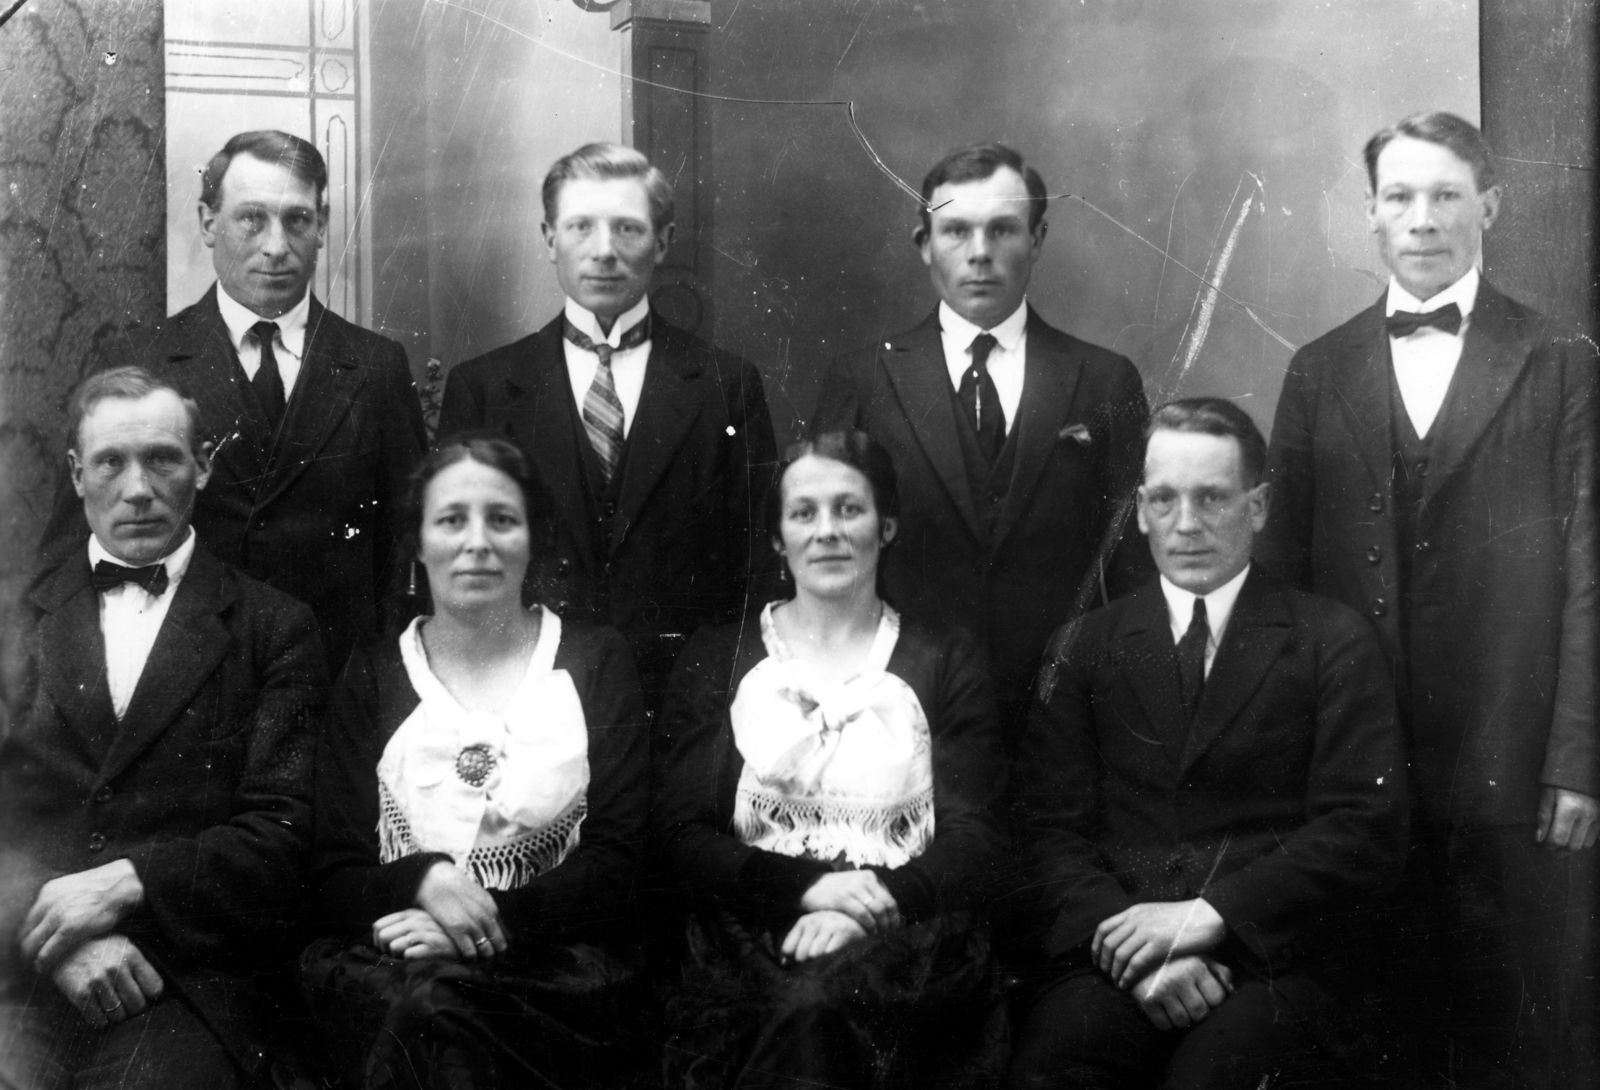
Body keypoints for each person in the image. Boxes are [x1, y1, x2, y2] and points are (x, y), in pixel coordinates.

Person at [1259, 111, 1598, 1085]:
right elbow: (1280, 583)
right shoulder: (1317, 369)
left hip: (1512, 767)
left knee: (1520, 1032)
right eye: (1399, 197)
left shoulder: (1560, 360)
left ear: (1488, 206)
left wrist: (1578, 761)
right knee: (1373, 1033)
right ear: (1368, 213)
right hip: (1361, 773)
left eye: (1446, 195)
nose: (1422, 218)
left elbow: (1591, 573)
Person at [1007, 399, 1406, 1089]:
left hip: (1274, 959)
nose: (1186, 524)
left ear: (1259, 506)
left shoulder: (1331, 639)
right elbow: (1048, 831)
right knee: (1058, 1068)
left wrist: (1213, 915)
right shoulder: (1084, 646)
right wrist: (1137, 947)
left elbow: (1363, 827)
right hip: (1117, 954)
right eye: (1164, 499)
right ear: (1139, 511)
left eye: (1213, 498)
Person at [0, 366, 326, 1089]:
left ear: (203, 466)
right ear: (76, 475)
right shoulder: (13, 621)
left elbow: (280, 839)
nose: (138, 488)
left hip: (187, 984)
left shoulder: (275, 628)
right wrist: (57, 938)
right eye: (111, 463)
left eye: (163, 459)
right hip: (22, 971)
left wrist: (132, 881)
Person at [653, 429, 1009, 1089]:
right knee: (798, 1008)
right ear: (777, 538)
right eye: (804, 513)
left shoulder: (944, 657)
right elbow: (682, 832)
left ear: (886, 527)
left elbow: (977, 836)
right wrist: (806, 890)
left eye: (850, 509)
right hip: (754, 925)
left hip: (905, 929)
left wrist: (870, 905)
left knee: (824, 1007)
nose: (827, 531)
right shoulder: (718, 655)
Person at [299, 434, 650, 1089]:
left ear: (533, 539)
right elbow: (333, 872)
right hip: (399, 962)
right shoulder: (373, 674)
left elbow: (620, 862)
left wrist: (486, 923)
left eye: (503, 519)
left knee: (444, 1009)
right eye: (452, 520)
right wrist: (425, 882)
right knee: (423, 1009)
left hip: (557, 964)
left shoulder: (596, 660)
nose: (478, 542)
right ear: (418, 542)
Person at [42, 129, 428, 670]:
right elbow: (68, 555)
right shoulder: (139, 359)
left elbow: (413, 548)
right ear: (208, 223)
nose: (276, 246)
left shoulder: (376, 367)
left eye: (297, 220)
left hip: (336, 683)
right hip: (185, 682)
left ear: (322, 226)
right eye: (251, 218)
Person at [813, 142, 1151, 751]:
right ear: (924, 243)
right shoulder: (863, 380)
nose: (979, 253)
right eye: (956, 230)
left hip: (1064, 716)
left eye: (1002, 229)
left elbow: (1132, 567)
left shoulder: (1104, 381)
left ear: (1037, 239)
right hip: (898, 714)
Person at [439, 142, 777, 711]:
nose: (603, 251)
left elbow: (755, 568)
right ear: (549, 238)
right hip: (526, 699)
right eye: (580, 227)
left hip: (683, 701)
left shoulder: (727, 386)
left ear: (662, 241)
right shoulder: (484, 387)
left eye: (627, 228)